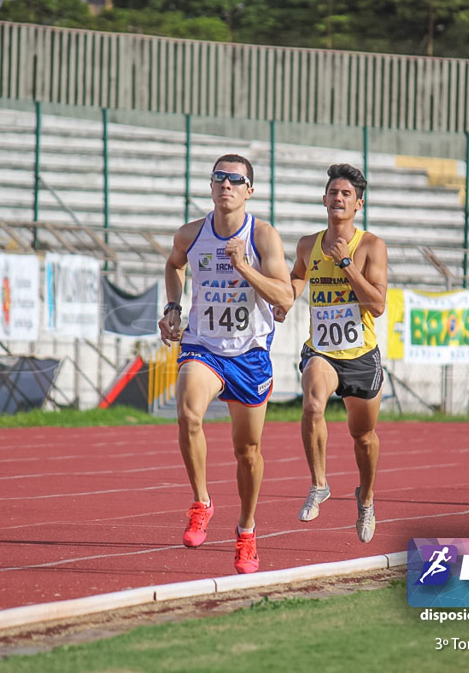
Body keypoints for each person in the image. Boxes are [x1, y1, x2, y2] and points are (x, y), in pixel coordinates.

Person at [158, 154, 292, 574]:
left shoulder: (264, 237)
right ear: (211, 185)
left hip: (250, 353)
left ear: (249, 190)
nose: (226, 185)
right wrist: (174, 306)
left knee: (247, 451)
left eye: (235, 180)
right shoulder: (191, 234)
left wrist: (243, 267)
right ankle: (202, 502)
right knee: (188, 414)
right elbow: (173, 265)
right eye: (219, 178)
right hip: (204, 345)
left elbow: (285, 298)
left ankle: (247, 531)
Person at [274, 163, 388, 542]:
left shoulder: (371, 246)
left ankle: (366, 498)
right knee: (312, 404)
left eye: (346, 194)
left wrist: (346, 265)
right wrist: (286, 300)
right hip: (322, 350)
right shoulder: (308, 244)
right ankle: (319, 484)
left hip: (361, 354)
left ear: (358, 204)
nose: (338, 199)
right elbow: (297, 276)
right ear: (323, 199)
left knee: (364, 436)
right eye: (333, 193)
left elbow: (377, 305)